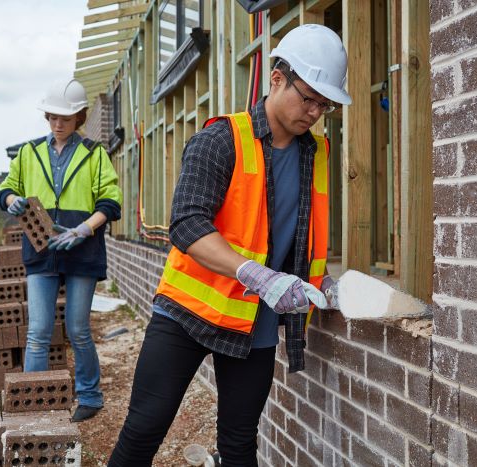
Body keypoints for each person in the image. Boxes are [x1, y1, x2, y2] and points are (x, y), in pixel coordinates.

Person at [108, 24, 351, 466]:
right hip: (187, 314)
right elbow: (186, 224)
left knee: (239, 443)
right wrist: (256, 274)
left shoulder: (317, 151)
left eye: (325, 104)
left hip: (252, 321)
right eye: (309, 97)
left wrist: (320, 279)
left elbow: (296, 231)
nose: (315, 111)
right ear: (277, 79)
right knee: (145, 428)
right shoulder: (221, 139)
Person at [0, 78, 122, 422]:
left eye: (64, 118)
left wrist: (85, 228)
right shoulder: (29, 152)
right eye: (52, 117)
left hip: (82, 251)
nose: (57, 124)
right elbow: (6, 188)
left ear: (79, 118)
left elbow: (111, 201)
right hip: (42, 250)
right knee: (38, 331)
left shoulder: (95, 154)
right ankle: (33, 399)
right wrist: (11, 200)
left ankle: (90, 396)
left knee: (78, 328)